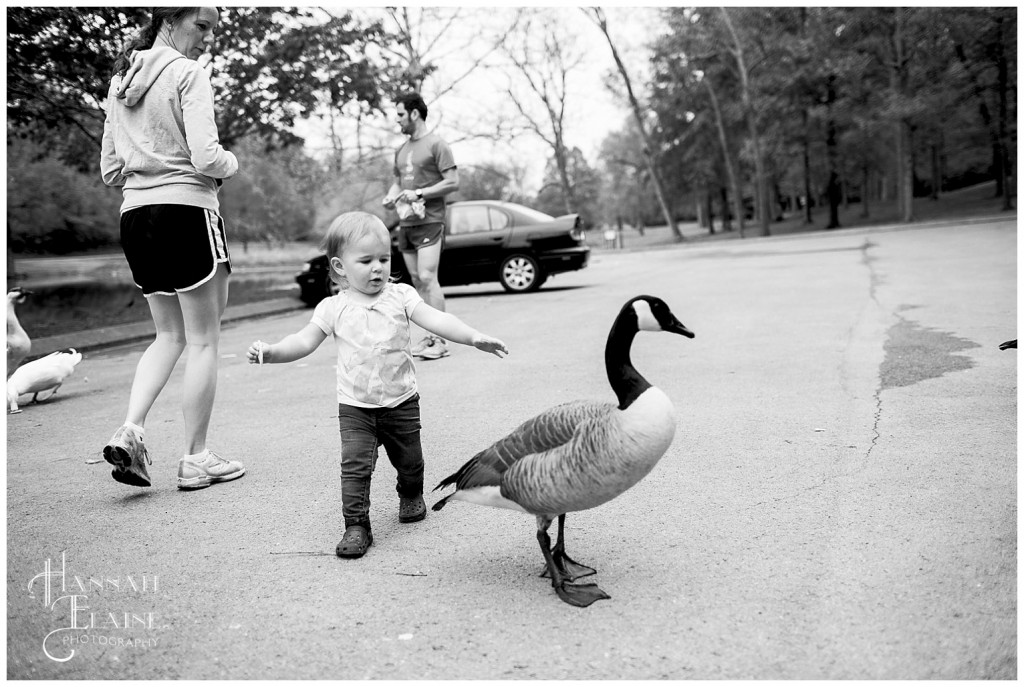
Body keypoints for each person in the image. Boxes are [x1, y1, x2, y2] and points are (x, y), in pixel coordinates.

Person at [246, 212, 508, 558]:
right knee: (354, 468)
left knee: (411, 463)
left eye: (384, 259)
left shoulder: (400, 296)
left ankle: (410, 493)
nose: (378, 268)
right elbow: (303, 342)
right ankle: (356, 525)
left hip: (401, 401)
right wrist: (272, 352)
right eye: (366, 260)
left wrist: (472, 337)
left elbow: (437, 318)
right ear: (340, 267)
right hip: (356, 407)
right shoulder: (332, 308)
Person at [99, 7, 244, 491]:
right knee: (203, 340)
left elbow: (110, 169)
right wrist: (231, 163)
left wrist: (147, 165)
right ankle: (195, 459)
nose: (206, 39)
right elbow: (207, 157)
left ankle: (131, 429)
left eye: (212, 30)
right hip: (186, 211)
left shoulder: (121, 80)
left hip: (135, 218)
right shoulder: (187, 74)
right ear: (169, 20)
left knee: (168, 336)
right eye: (200, 27)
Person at [382, 92, 459, 361]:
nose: (397, 119)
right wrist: (391, 197)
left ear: (415, 114)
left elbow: (452, 182)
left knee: (428, 277)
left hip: (430, 220)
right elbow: (397, 181)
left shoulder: (437, 144)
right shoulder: (400, 150)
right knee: (416, 282)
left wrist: (422, 193)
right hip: (407, 222)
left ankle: (440, 340)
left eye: (401, 114)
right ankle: (428, 338)